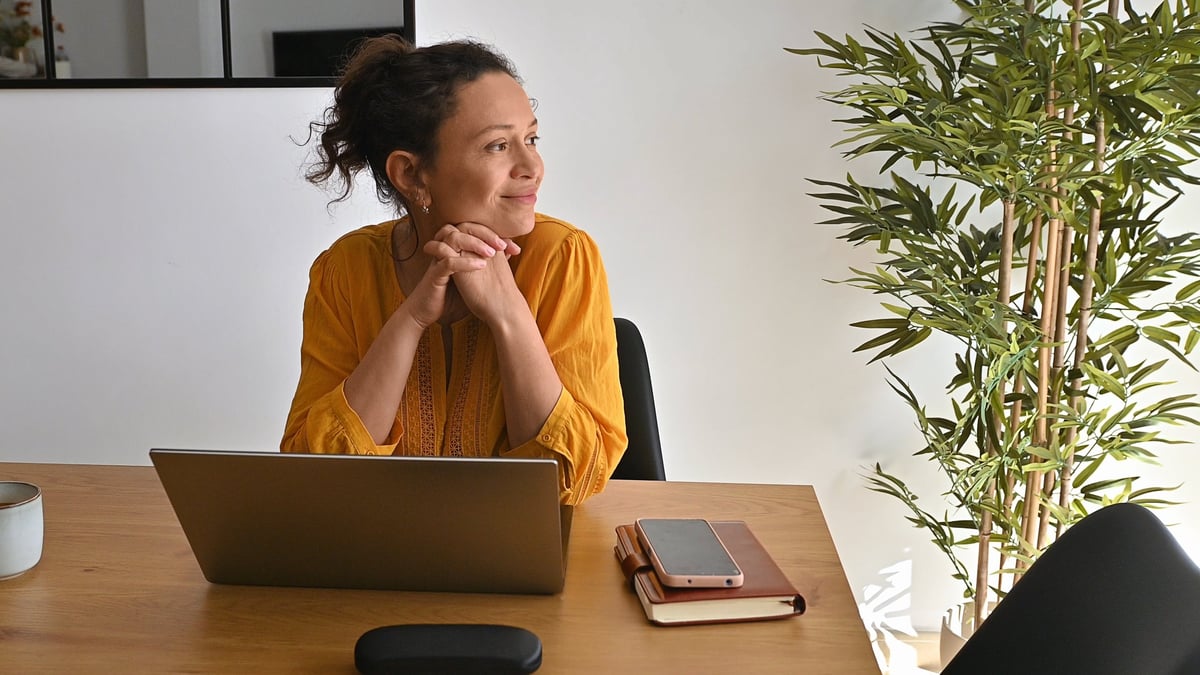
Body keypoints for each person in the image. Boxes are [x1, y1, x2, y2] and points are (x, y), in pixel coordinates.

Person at [280, 36, 627, 506]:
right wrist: (410, 320)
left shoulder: (565, 257)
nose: (532, 167)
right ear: (411, 175)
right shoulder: (344, 270)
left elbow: (570, 482)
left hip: (523, 556)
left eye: (531, 139)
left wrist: (508, 314)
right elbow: (314, 474)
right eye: (498, 145)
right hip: (377, 556)